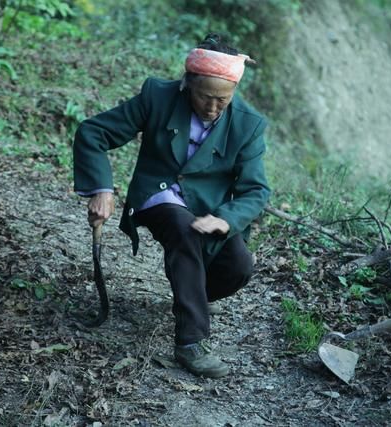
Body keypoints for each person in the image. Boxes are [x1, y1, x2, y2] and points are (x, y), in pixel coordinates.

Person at [73, 33, 270, 378]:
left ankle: (187, 293)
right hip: (159, 193)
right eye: (205, 97)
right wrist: (102, 187)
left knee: (239, 266)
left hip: (209, 206)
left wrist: (225, 219)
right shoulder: (158, 96)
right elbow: (93, 133)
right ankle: (190, 343)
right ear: (187, 84)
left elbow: (256, 190)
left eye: (222, 101)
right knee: (183, 230)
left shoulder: (248, 125)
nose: (212, 108)